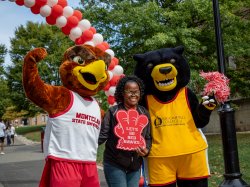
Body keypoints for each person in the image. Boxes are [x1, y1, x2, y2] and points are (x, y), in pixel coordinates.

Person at [98, 75, 152, 187]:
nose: (133, 94)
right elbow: (102, 135)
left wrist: (146, 150)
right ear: (122, 93)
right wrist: (86, 145)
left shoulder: (144, 113)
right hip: (114, 163)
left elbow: (147, 137)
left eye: (136, 91)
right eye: (129, 91)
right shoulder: (113, 111)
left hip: (135, 165)